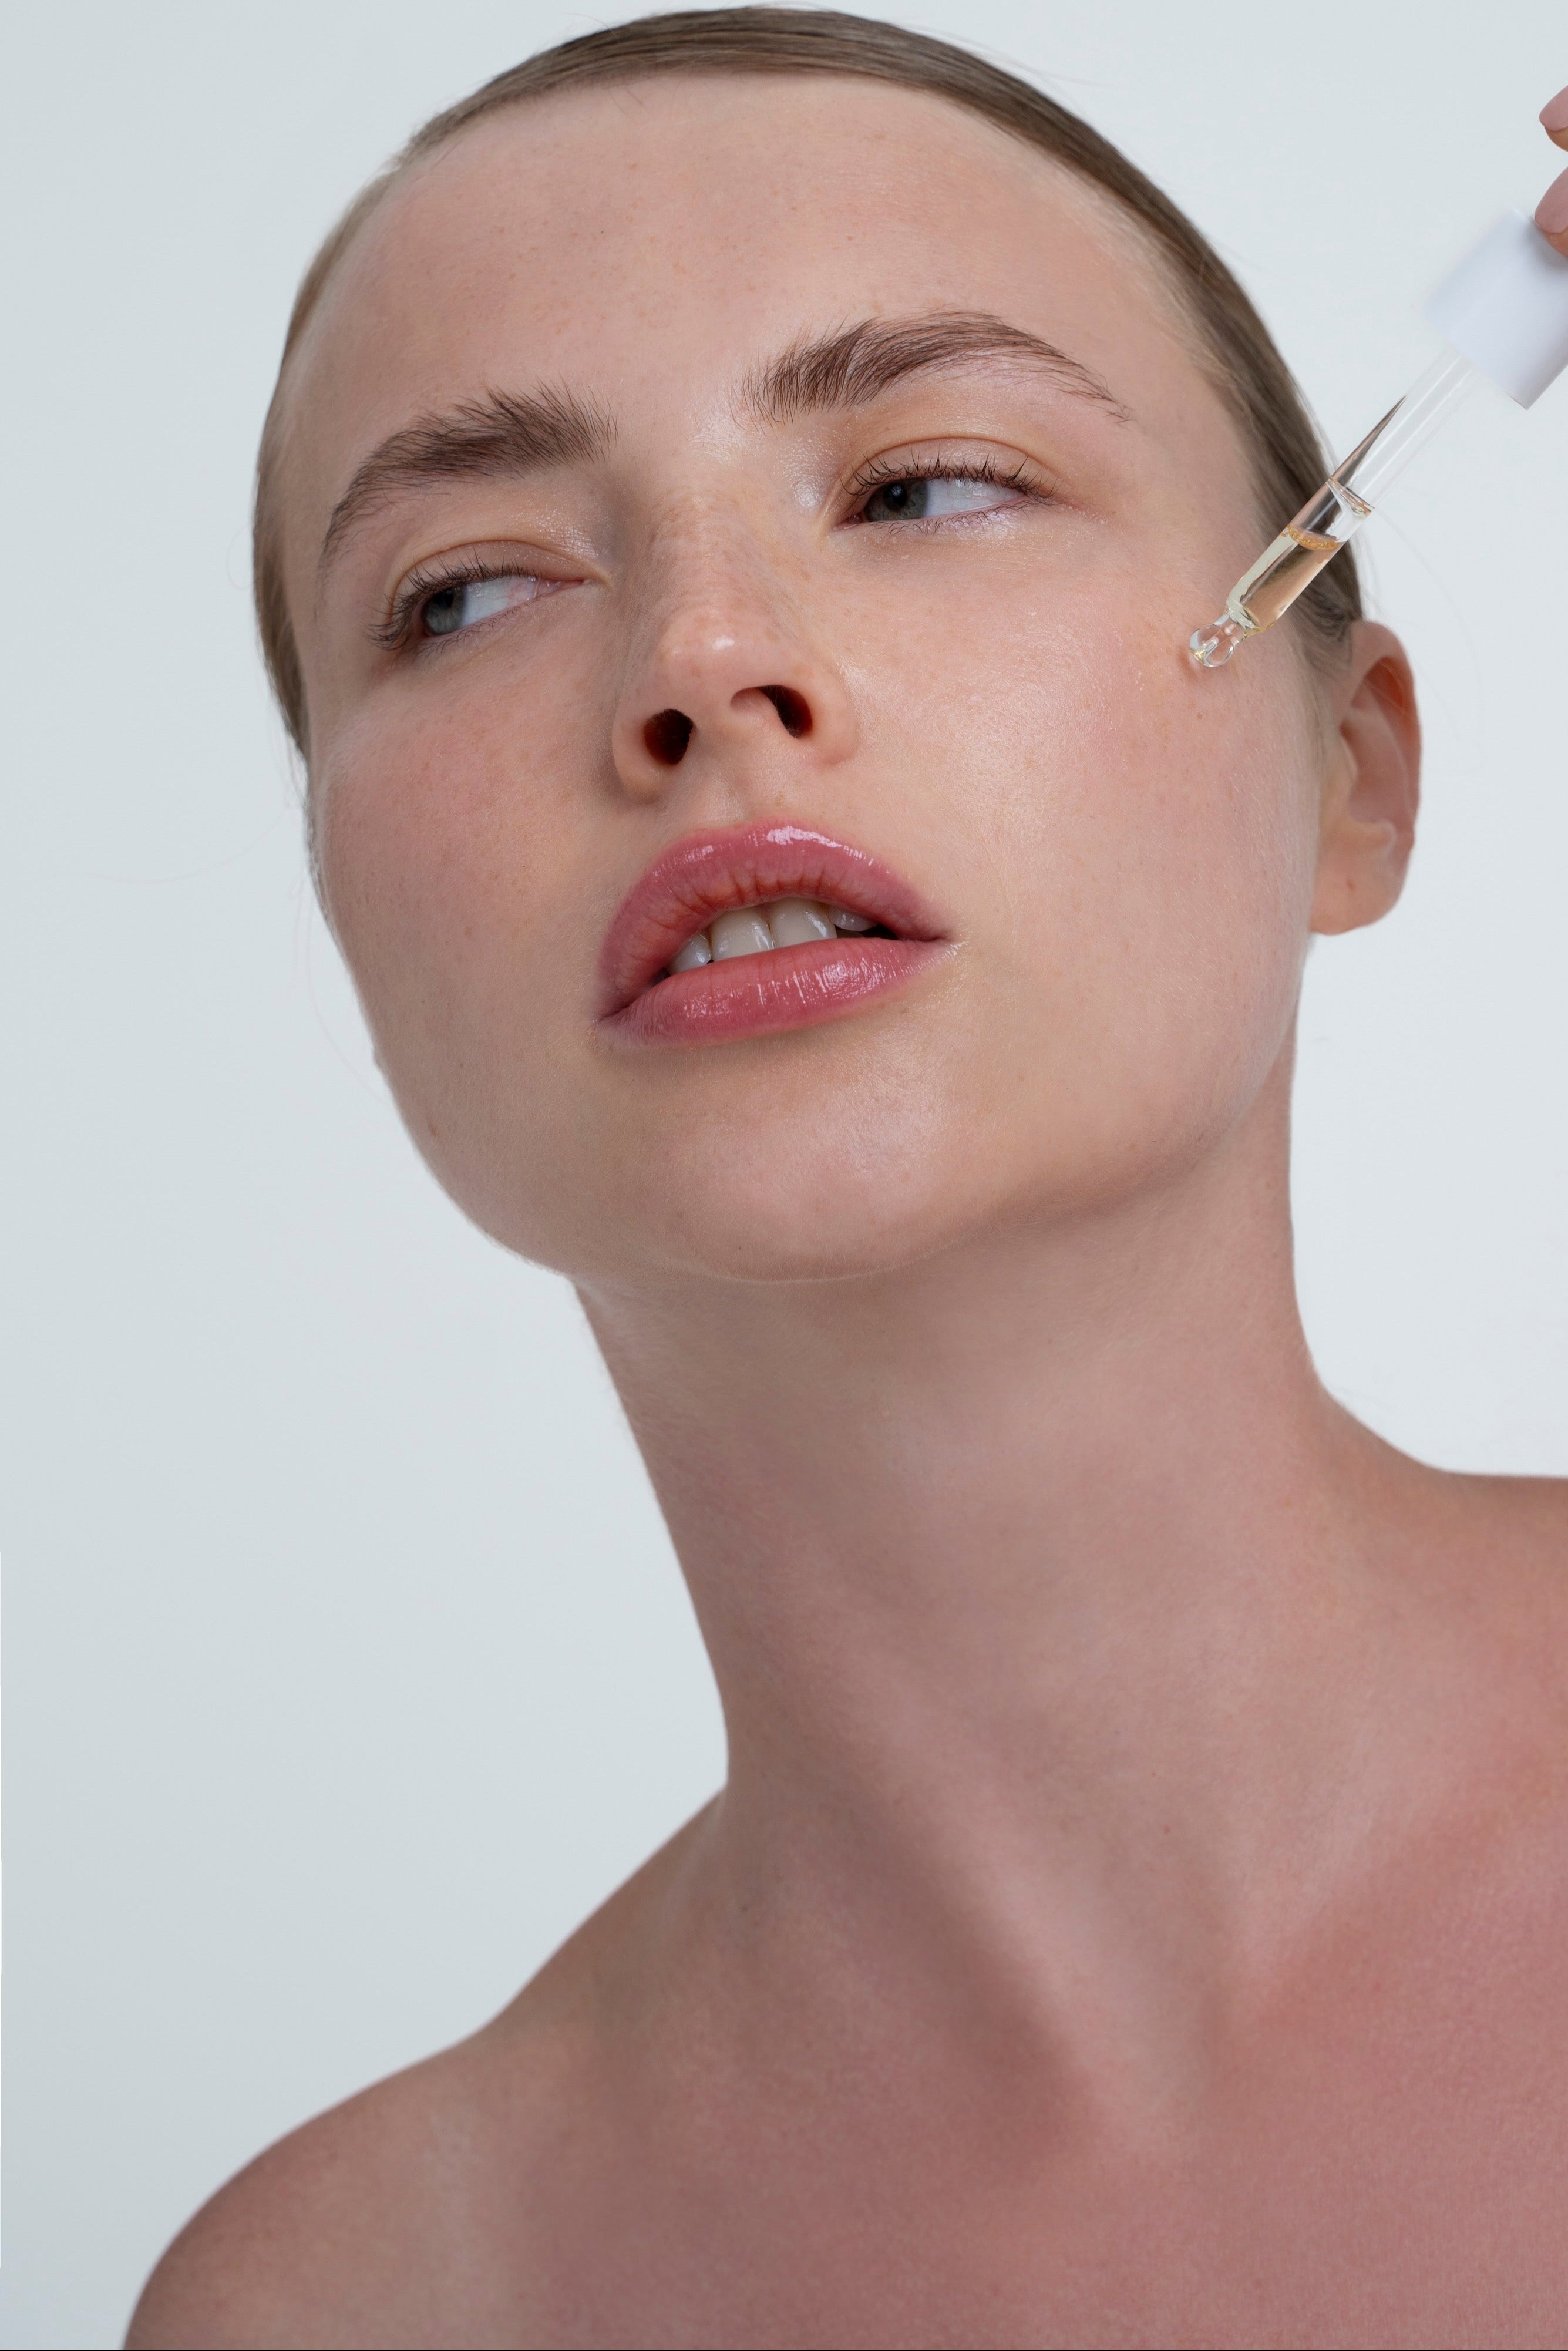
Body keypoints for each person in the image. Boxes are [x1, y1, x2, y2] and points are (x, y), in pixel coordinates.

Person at [128, 15, 1568, 2346]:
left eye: (922, 487)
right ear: (353, 937)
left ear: (1351, 774)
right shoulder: (358, 2303)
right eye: (464, 592)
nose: (705, 665)